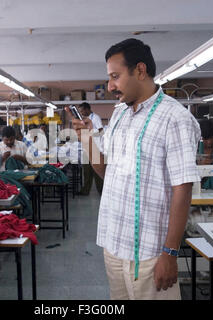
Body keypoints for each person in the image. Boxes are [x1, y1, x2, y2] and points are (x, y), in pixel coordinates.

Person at [67, 38, 200, 299]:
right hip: (114, 243)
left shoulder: (175, 118)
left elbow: (183, 188)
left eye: (115, 76)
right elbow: (106, 170)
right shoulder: (119, 115)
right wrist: (86, 139)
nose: (110, 86)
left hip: (150, 252)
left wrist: (170, 253)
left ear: (140, 70)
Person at [77, 102, 104, 196]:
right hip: (86, 148)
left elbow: (101, 131)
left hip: (95, 148)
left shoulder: (95, 117)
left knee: (97, 172)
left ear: (87, 109)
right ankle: (85, 190)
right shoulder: (84, 119)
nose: (82, 113)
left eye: (82, 111)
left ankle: (101, 190)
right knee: (86, 171)